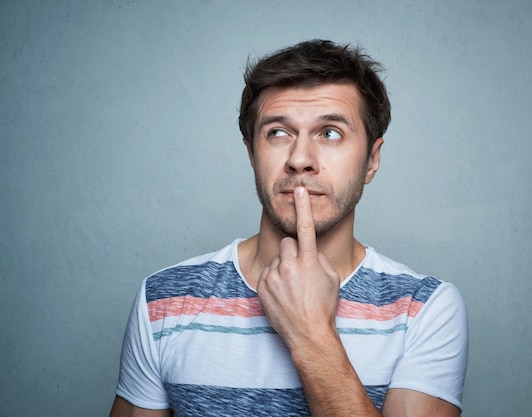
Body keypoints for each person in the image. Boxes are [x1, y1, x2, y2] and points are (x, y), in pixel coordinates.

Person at [109, 39, 468, 417]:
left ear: (372, 160)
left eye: (330, 132)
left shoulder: (425, 309)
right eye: (278, 132)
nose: (300, 160)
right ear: (251, 154)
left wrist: (311, 333)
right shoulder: (164, 300)